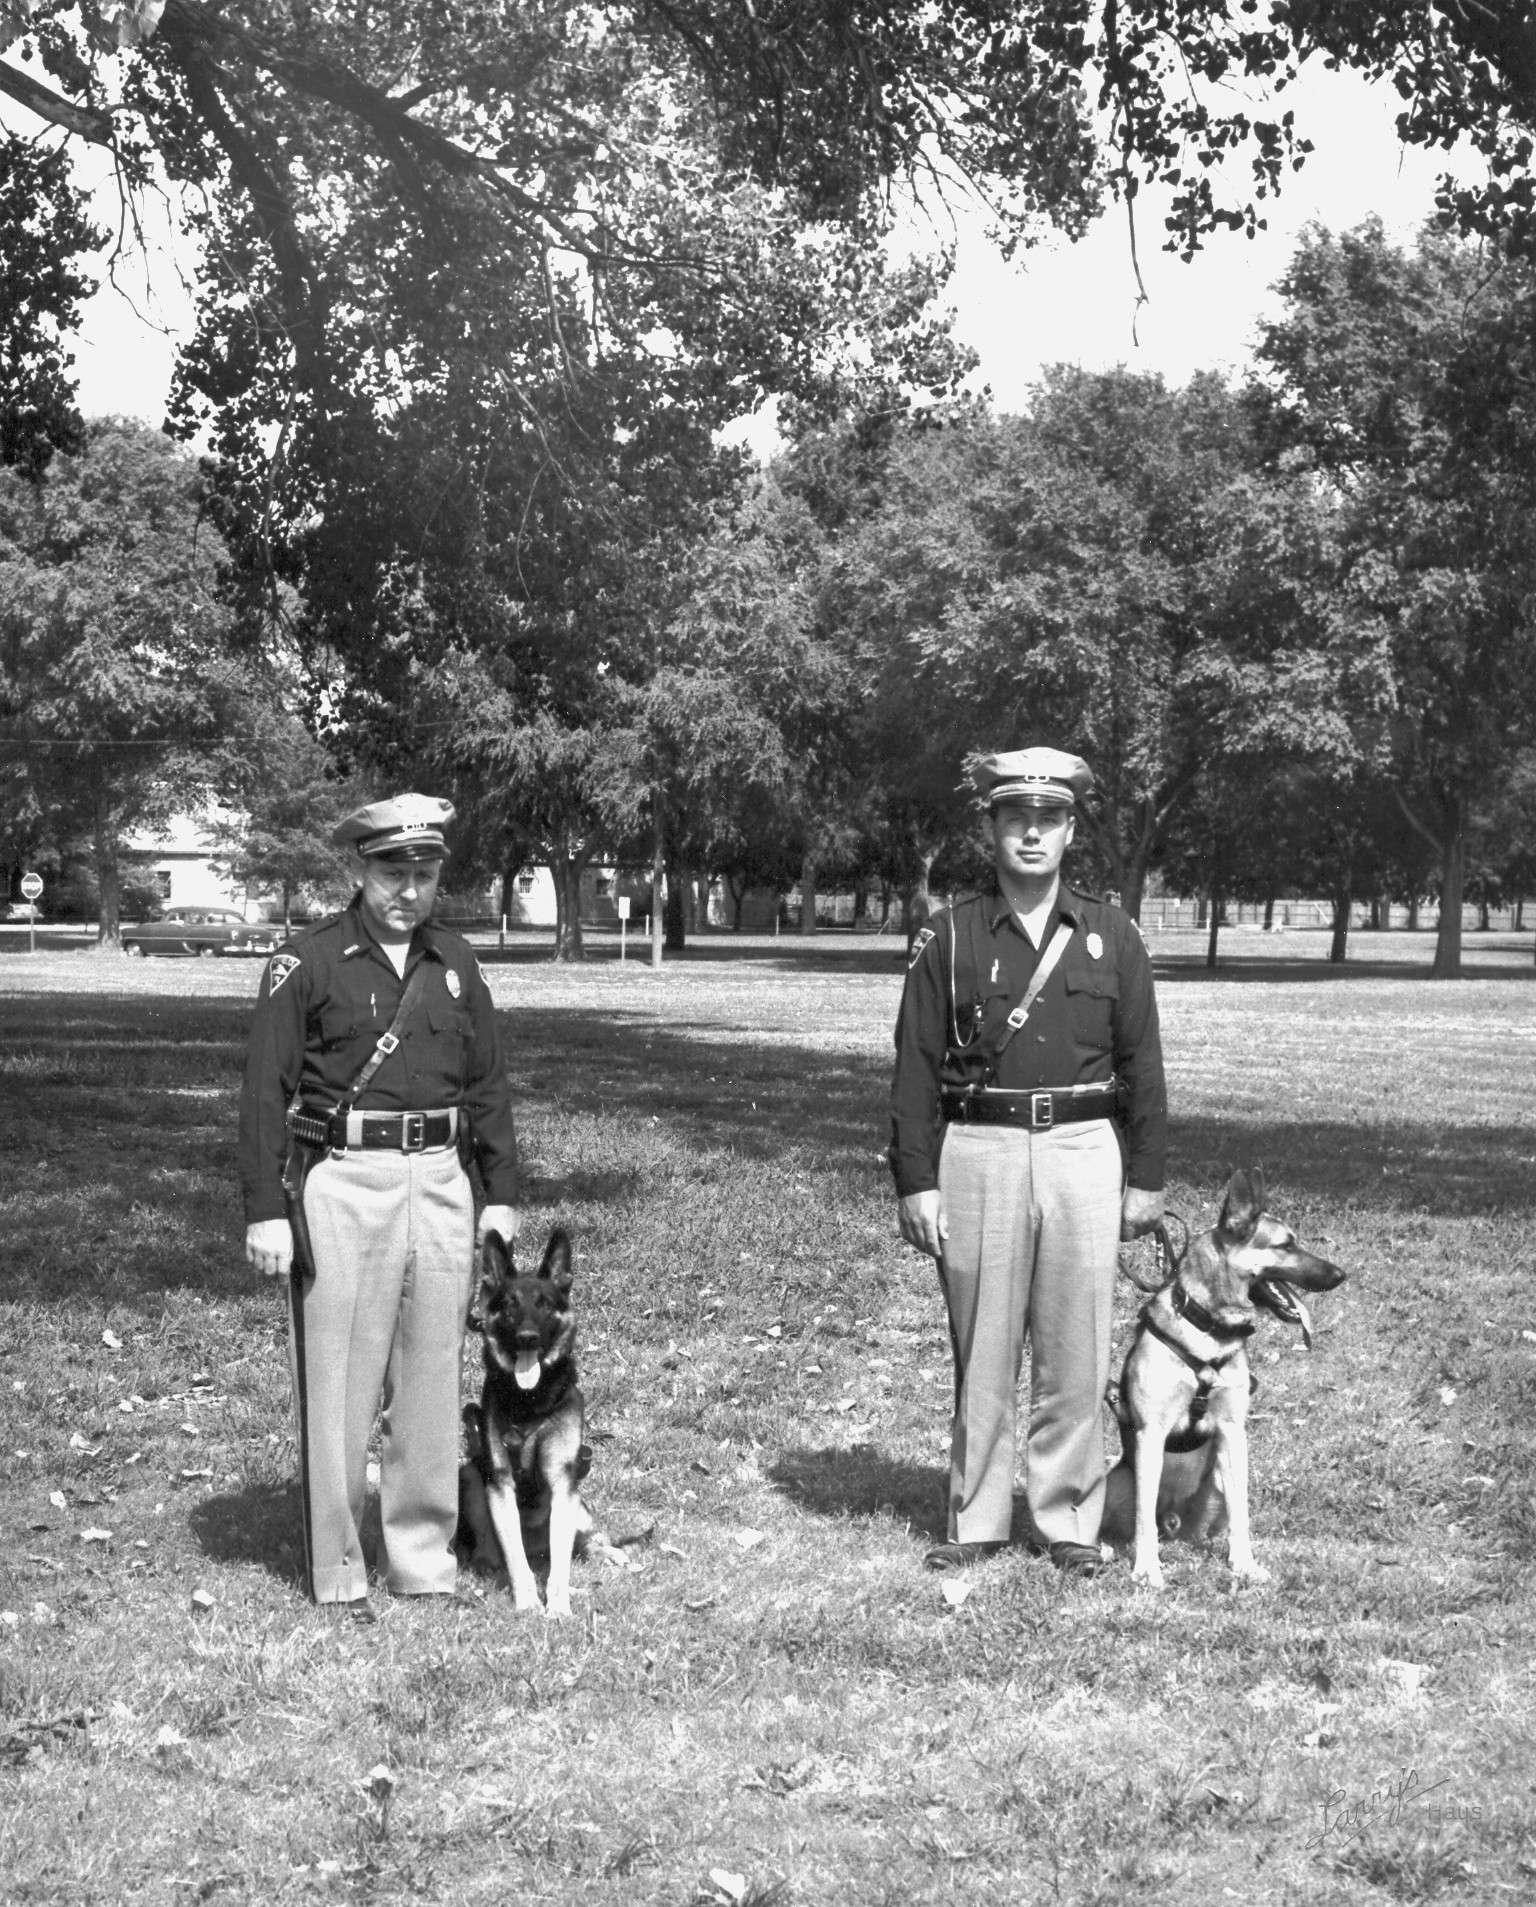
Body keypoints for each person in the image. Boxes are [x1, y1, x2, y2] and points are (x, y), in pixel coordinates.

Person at [889, 746, 1166, 1578]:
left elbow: (1144, 1065)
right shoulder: (949, 935)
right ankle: (976, 1516)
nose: (1033, 833)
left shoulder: (1114, 936)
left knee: (1076, 1342)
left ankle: (1068, 1516)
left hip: (1084, 1150)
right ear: (993, 828)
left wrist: (1147, 1176)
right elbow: (914, 1067)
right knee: (983, 1342)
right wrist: (916, 1178)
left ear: (1071, 830)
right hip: (981, 1149)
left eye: (1049, 819)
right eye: (1017, 817)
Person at [239, 793, 519, 1616]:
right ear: (361, 870)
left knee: (431, 1374)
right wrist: (265, 1208)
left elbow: (488, 1084)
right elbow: (263, 1093)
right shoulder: (308, 961)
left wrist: (499, 1194)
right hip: (345, 1179)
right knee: (338, 1380)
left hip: (440, 1179)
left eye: (424, 874)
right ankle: (337, 1566)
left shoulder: (456, 962)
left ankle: (422, 1558)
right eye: (393, 872)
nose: (409, 889)